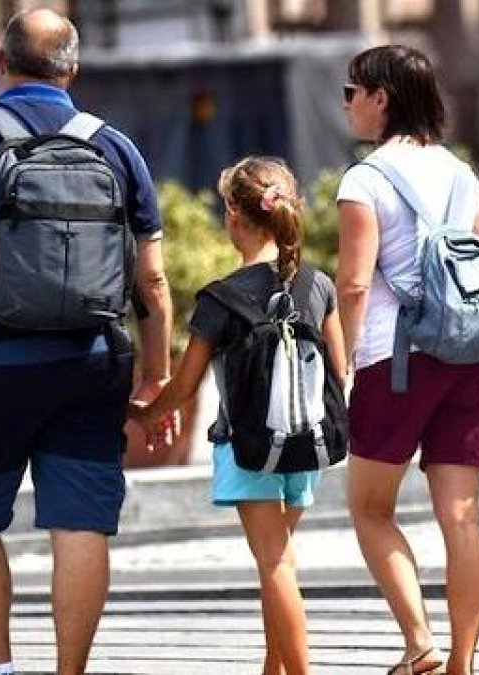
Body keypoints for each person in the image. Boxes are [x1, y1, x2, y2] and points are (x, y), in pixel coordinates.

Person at [0, 9, 173, 675]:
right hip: (92, 362)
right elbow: (152, 279)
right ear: (72, 68)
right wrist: (155, 376)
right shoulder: (116, 146)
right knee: (79, 521)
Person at [335, 45, 479, 675]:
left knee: (370, 509)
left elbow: (355, 285)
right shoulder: (461, 174)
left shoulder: (365, 179)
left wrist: (342, 361)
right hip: (471, 359)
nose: (347, 104)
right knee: (462, 516)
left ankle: (420, 644)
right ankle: (463, 664)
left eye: (352, 91)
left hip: (394, 362)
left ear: (381, 98)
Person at [130, 156, 346, 675]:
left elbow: (185, 386)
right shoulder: (318, 286)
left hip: (249, 446)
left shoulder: (220, 299)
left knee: (274, 565)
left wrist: (143, 415)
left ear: (233, 215)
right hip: (306, 443)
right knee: (282, 562)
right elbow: (341, 371)